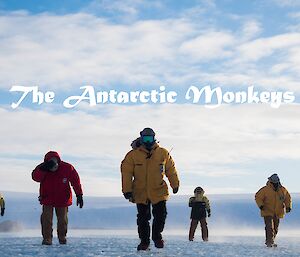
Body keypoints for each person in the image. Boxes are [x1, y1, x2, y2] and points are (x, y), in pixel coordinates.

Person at [121, 128, 180, 251]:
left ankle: (157, 237)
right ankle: (144, 242)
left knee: (160, 216)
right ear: (141, 139)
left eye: (150, 138)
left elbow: (171, 169)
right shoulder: (132, 155)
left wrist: (175, 184)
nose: (148, 141)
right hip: (140, 192)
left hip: (159, 190)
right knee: (143, 218)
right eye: (145, 138)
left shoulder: (163, 153)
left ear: (154, 138)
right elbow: (126, 172)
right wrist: (127, 190)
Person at [32, 151, 83, 245]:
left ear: (58, 163)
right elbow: (36, 178)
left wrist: (79, 194)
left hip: (63, 199)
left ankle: (62, 238)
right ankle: (47, 239)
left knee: (62, 220)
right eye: (52, 167)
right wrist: (42, 170)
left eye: (55, 166)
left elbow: (75, 181)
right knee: (46, 219)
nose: (54, 168)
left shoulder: (67, 168)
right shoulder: (42, 167)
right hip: (47, 198)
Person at [255, 173, 292, 248]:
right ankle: (269, 242)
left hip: (278, 212)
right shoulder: (265, 190)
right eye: (274, 182)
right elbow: (258, 197)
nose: (275, 184)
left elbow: (288, 198)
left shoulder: (283, 190)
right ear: (270, 181)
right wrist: (261, 205)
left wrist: (288, 207)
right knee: (269, 227)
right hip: (267, 211)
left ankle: (271, 241)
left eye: (276, 182)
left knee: (275, 228)